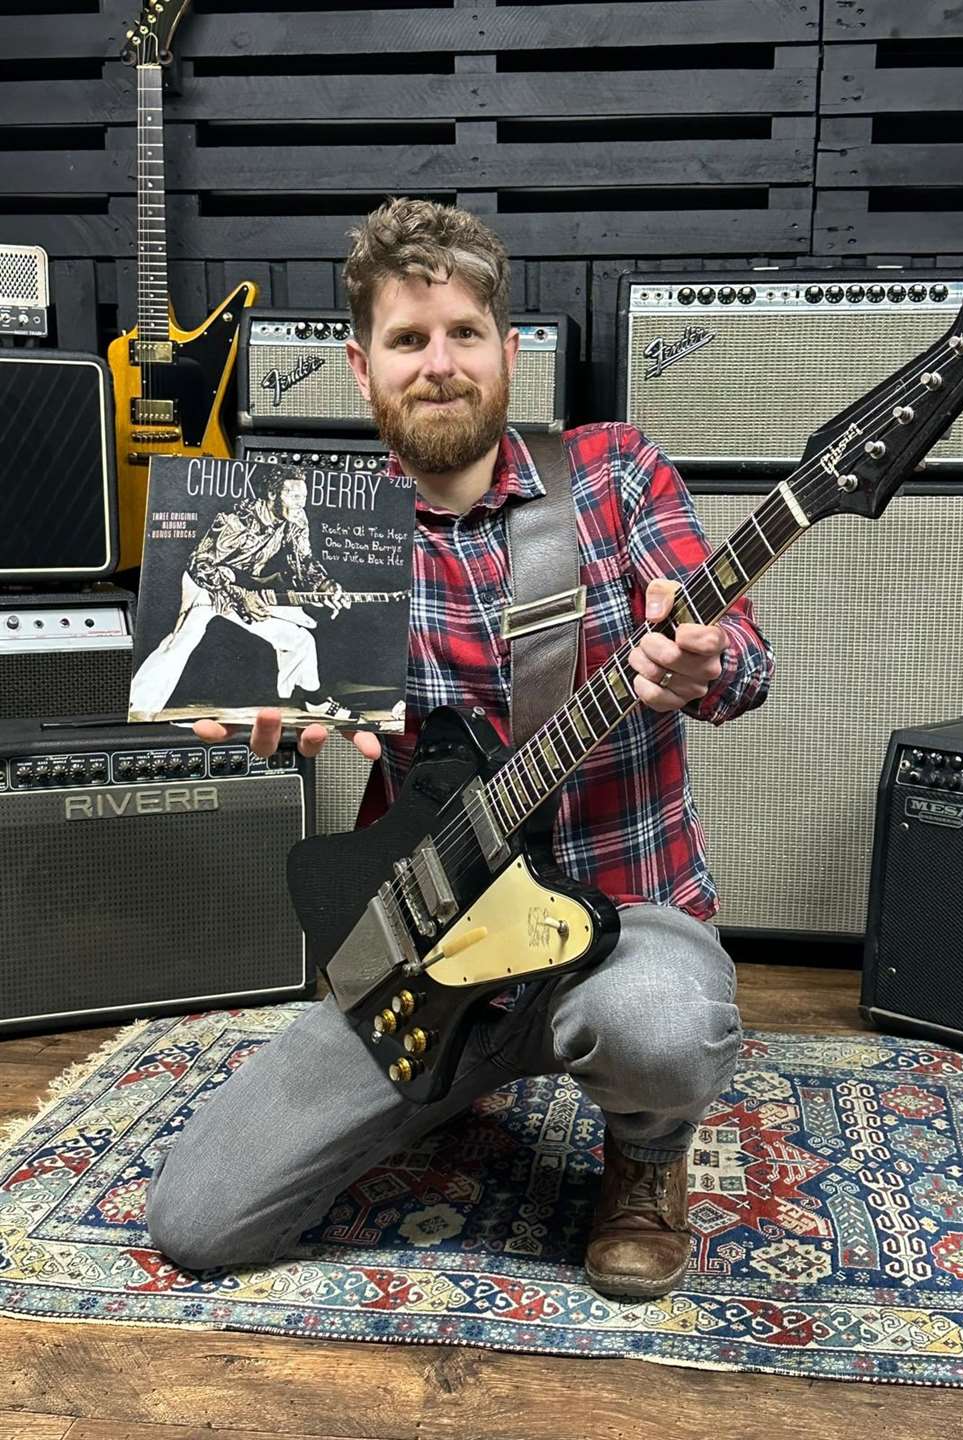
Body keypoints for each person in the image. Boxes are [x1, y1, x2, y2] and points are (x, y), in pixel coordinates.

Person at [145, 198, 774, 1301]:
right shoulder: (329, 535)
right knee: (198, 1220)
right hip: (428, 951)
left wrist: (707, 664)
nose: (439, 365)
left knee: (663, 1026)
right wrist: (262, 725)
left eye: (463, 334)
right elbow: (268, 693)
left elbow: (743, 657)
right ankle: (446, 1081)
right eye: (406, 339)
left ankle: (646, 1152)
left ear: (508, 349)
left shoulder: (613, 475)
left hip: (622, 922)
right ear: (361, 366)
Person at [129, 467, 356, 721]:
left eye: (303, 497)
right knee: (182, 641)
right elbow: (200, 565)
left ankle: (315, 701)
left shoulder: (296, 519)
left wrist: (326, 585)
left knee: (299, 640)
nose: (300, 503)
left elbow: (303, 561)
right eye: (293, 496)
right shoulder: (236, 520)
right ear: (272, 494)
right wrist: (238, 595)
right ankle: (139, 709)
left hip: (244, 587)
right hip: (204, 585)